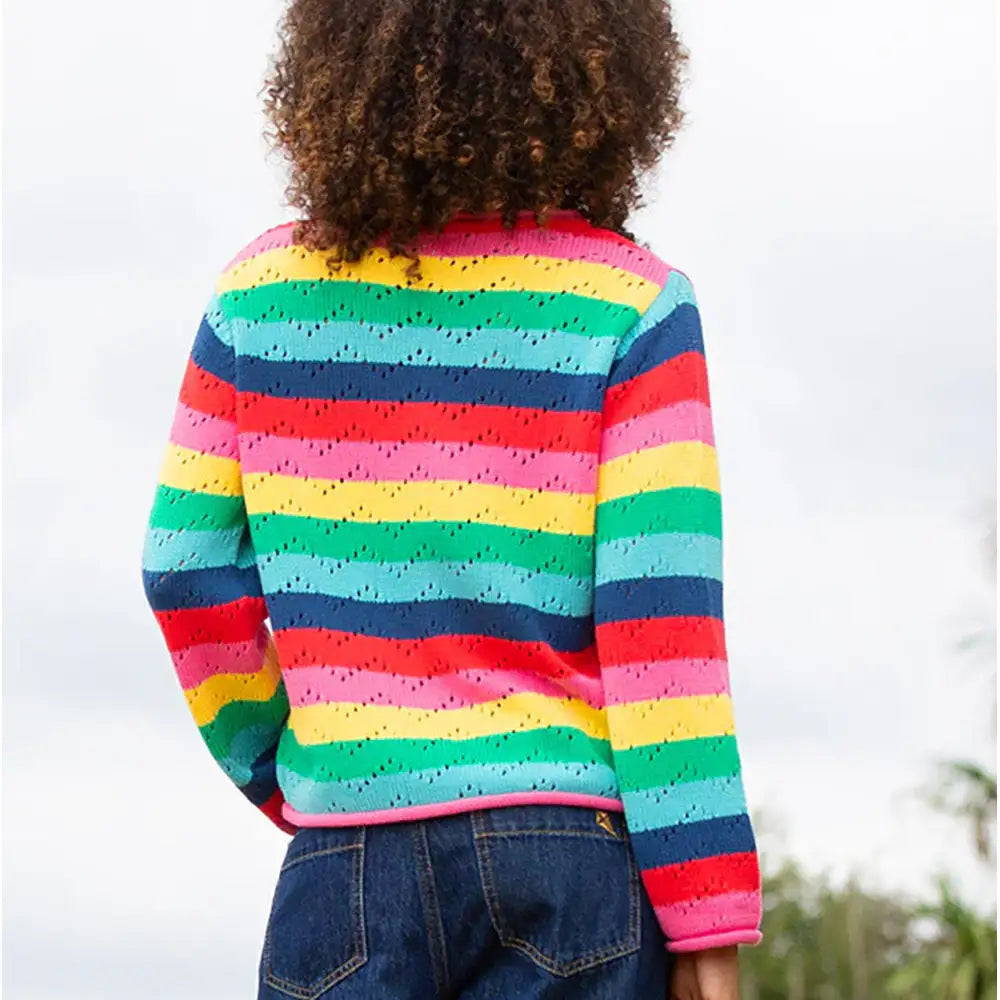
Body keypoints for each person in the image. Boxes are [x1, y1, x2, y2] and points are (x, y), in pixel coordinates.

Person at [141, 1, 763, 997]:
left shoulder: (256, 296)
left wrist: (289, 772)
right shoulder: (631, 306)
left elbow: (181, 567)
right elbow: (663, 640)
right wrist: (707, 926)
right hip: (569, 868)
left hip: (342, 866)